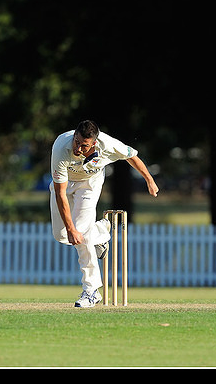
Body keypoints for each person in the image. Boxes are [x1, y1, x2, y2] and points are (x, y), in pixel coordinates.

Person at [49, 120, 159, 307]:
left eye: (84, 145)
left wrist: (149, 180)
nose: (78, 148)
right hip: (65, 185)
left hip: (89, 185)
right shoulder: (62, 146)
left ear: (94, 143)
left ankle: (91, 290)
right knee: (62, 236)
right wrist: (69, 228)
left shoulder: (109, 145)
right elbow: (60, 193)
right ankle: (101, 231)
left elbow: (132, 156)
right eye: (76, 142)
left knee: (81, 235)